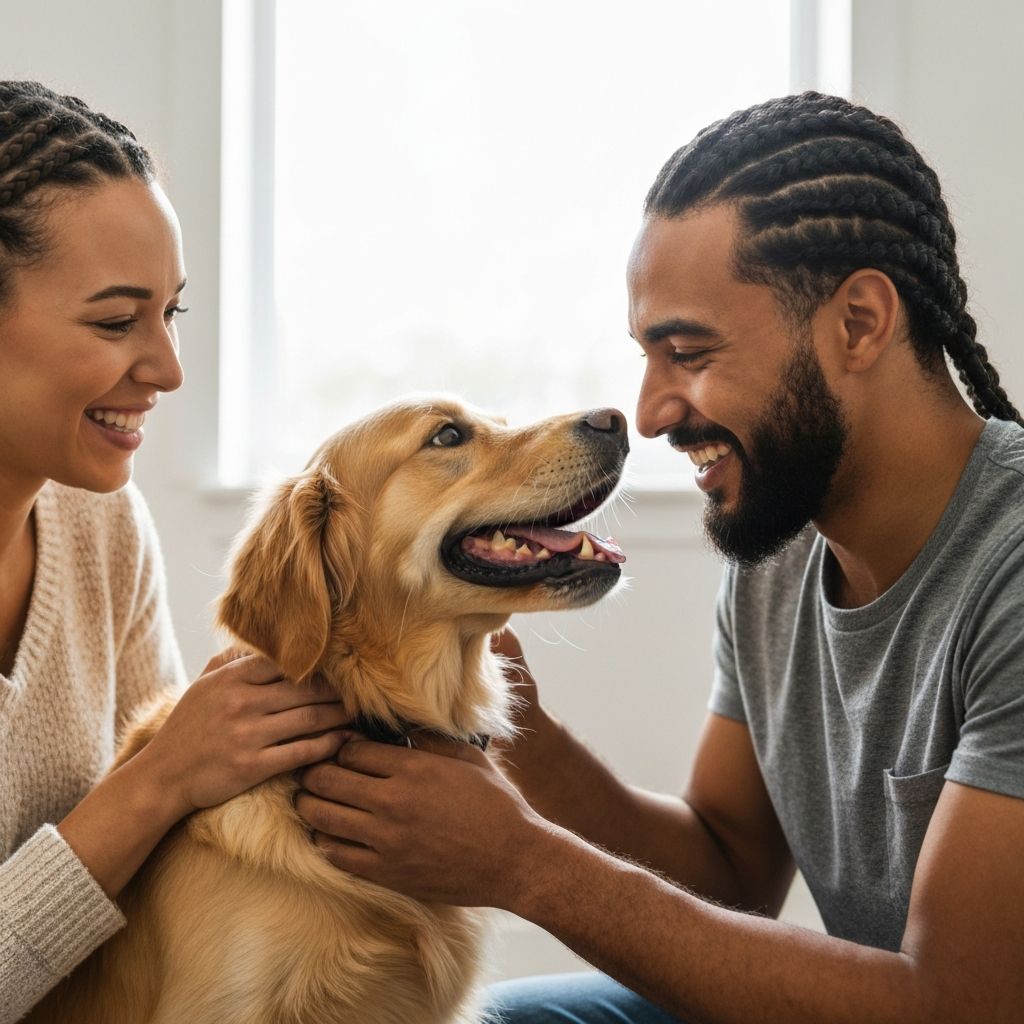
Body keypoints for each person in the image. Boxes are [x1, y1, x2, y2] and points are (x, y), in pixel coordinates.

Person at [294, 92, 1024, 1022]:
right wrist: (519, 743)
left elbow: (961, 1005)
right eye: (648, 355)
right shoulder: (780, 550)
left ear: (860, 323)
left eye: (688, 352)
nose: (649, 413)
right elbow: (727, 869)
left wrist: (522, 864)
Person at [0, 81, 353, 1024]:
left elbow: (155, 882)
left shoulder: (100, 526)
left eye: (172, 314)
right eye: (118, 321)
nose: (166, 368)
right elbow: (153, 802)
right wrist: (160, 778)